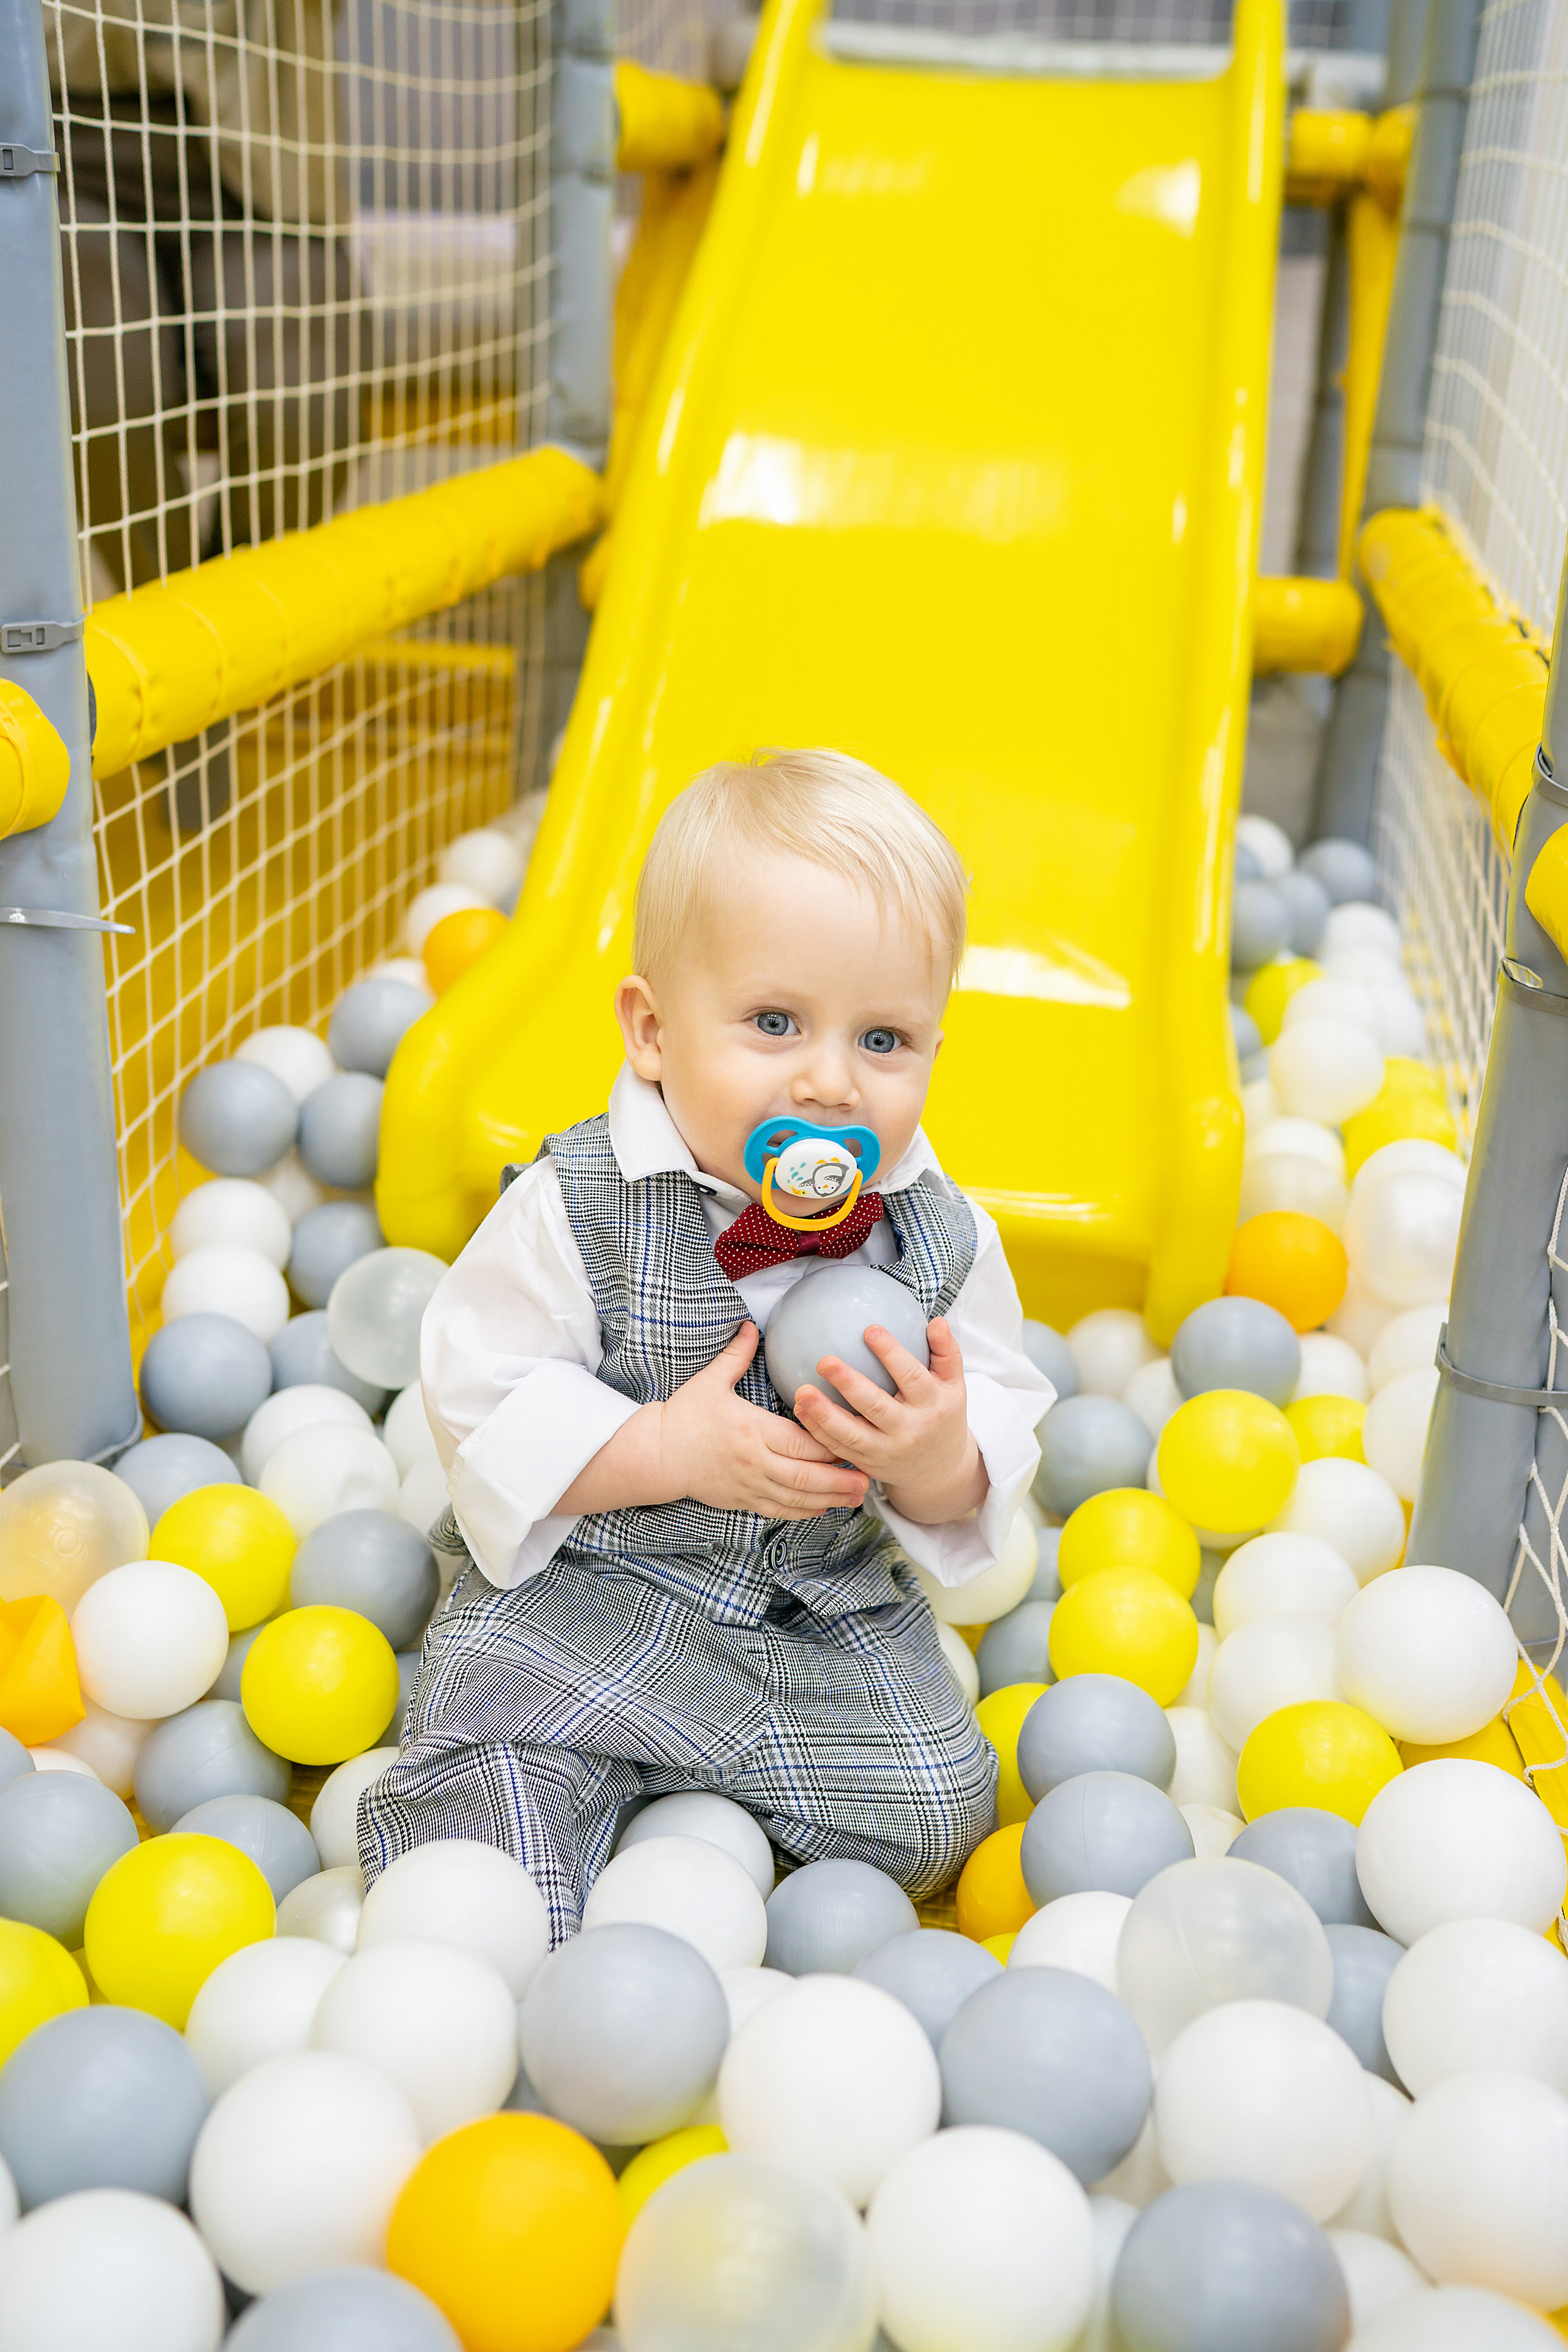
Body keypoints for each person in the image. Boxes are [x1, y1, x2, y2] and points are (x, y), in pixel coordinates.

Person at [361, 748, 1054, 1941]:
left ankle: (688, 1786)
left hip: (813, 1611)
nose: (831, 1082)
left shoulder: (937, 1235)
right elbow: (474, 1385)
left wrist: (932, 1454)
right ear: (653, 1033)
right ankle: (561, 1833)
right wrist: (660, 1448)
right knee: (486, 1823)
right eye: (774, 1023)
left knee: (942, 1811)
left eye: (883, 1040)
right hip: (595, 1593)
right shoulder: (579, 1204)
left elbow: (992, 1409)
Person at [48, 0, 359, 816]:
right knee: (92, 351)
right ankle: (186, 694)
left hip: (263, 148)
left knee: (308, 403)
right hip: (53, 137)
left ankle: (203, 669)